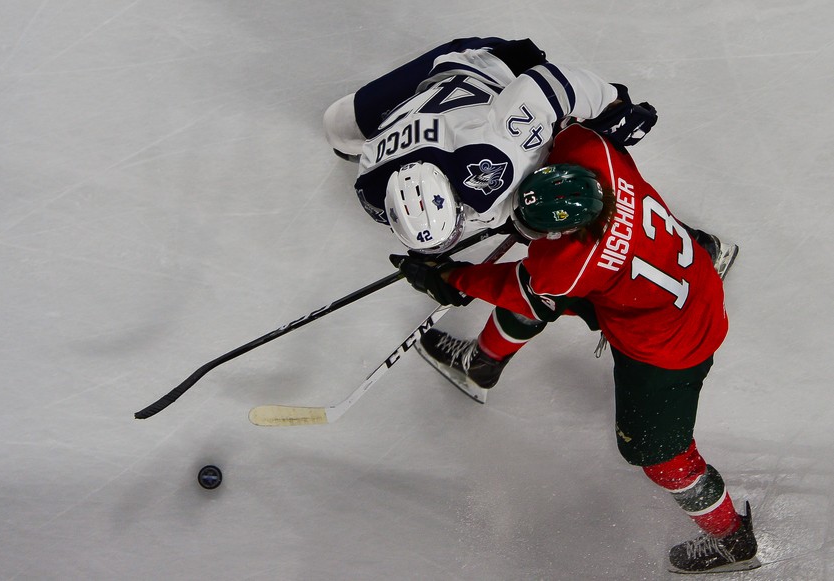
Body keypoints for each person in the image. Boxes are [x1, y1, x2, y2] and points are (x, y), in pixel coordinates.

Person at [390, 122, 757, 574]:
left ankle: (732, 541)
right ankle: (483, 364)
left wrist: (449, 276)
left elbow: (518, 287)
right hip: (684, 275)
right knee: (550, 297)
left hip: (670, 346)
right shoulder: (596, 152)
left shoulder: (570, 261)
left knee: (660, 456)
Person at [323, 37, 659, 253]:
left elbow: (552, 82)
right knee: (338, 125)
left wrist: (614, 106)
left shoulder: (494, 150)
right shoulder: (371, 186)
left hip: (486, 69)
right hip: (435, 86)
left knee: (593, 142)